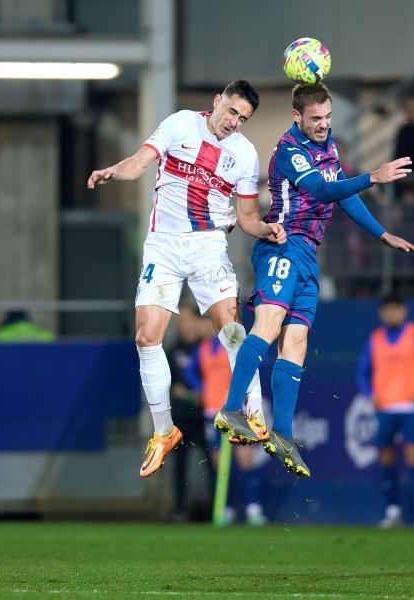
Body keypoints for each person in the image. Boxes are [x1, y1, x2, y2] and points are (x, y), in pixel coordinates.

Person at [213, 82, 414, 478]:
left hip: (309, 254)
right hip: (282, 244)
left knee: (296, 343)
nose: (324, 124)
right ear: (297, 117)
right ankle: (232, 409)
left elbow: (343, 196)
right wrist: (372, 177)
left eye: (327, 117)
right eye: (316, 119)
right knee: (269, 325)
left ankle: (283, 434)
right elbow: (322, 190)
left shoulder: (329, 146)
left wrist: (380, 234)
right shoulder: (290, 150)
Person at [87, 80, 285, 478]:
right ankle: (164, 431)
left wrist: (266, 229)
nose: (234, 122)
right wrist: (114, 171)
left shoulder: (244, 154)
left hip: (207, 246)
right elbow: (140, 162)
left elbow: (246, 217)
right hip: (163, 246)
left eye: (243, 118)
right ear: (217, 101)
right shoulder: (180, 124)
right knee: (146, 336)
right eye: (232, 112)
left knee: (231, 328)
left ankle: (254, 413)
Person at [357, 295, 414, 530]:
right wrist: (369, 394)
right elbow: (362, 372)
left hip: (409, 407)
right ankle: (392, 511)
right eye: (388, 310)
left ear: (404, 311)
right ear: (381, 313)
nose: (392, 314)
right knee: (386, 459)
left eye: (396, 309)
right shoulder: (375, 339)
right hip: (385, 408)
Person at [184, 324, 267, 526]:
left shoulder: (234, 342)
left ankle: (253, 509)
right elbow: (189, 371)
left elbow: (259, 361)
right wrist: (202, 388)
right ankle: (226, 509)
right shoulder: (203, 348)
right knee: (219, 463)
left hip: (237, 409)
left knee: (245, 459)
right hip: (213, 412)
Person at [167, 304, 214, 521]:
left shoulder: (208, 348)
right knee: (179, 466)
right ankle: (180, 509)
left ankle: (218, 509)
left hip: (205, 417)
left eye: (186, 320)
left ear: (197, 321)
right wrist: (190, 395)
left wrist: (201, 395)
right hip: (181, 418)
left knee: (213, 463)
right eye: (180, 321)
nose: (182, 325)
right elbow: (172, 388)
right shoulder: (172, 351)